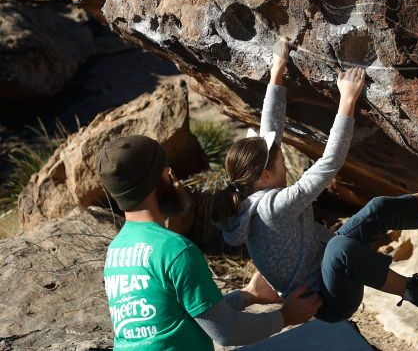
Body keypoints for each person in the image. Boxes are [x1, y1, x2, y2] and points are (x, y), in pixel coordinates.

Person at [212, 36, 418, 323]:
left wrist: (278, 67)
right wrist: (348, 99)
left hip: (327, 261)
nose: (284, 165)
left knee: (376, 209)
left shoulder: (250, 192)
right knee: (341, 251)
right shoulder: (273, 208)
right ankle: (415, 290)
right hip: (327, 301)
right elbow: (329, 164)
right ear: (265, 175)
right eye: (280, 164)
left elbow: (270, 131)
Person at [97, 135, 321, 350]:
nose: (174, 177)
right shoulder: (175, 251)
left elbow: (186, 317)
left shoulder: (116, 252)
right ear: (159, 181)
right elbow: (226, 331)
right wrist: (286, 316)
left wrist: (248, 295)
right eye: (166, 168)